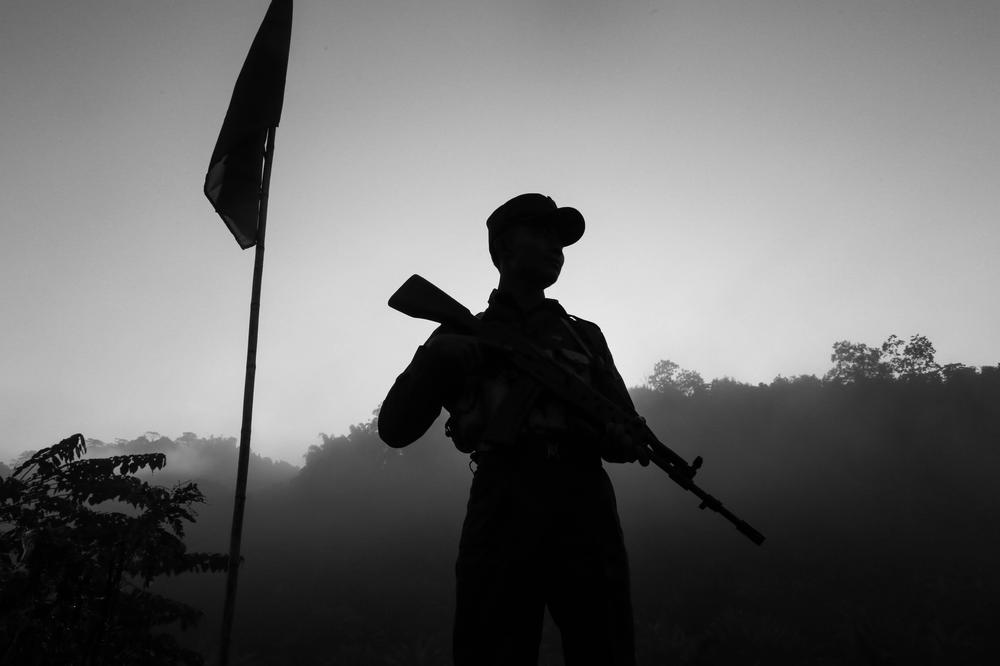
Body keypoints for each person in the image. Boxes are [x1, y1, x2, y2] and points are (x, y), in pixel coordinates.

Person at [378, 193, 648, 666]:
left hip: (583, 500)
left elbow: (620, 424)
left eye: (560, 241)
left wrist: (624, 440)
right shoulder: (459, 332)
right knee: (491, 646)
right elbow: (395, 429)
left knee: (605, 644)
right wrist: (434, 360)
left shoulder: (586, 335)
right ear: (502, 249)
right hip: (503, 496)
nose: (554, 249)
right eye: (540, 235)